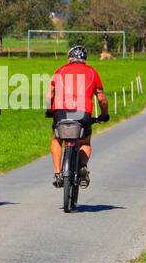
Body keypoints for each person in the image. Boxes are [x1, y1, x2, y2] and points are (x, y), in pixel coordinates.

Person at [44, 44, 109, 188]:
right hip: (83, 114)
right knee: (84, 142)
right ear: (85, 59)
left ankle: (57, 174)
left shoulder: (60, 71)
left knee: (57, 139)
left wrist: (49, 110)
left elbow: (49, 95)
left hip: (61, 112)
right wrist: (104, 115)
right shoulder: (92, 72)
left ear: (69, 58)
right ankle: (81, 167)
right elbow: (101, 98)